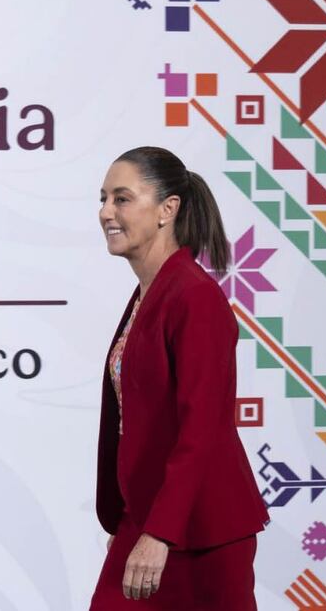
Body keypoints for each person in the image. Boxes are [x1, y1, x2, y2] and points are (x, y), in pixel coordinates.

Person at [89, 146, 270, 609]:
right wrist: (135, 524)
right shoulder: (150, 293)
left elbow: (201, 429)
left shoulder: (194, 296)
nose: (106, 212)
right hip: (149, 519)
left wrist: (159, 534)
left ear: (167, 209)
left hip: (201, 532)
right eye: (104, 199)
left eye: (122, 199)